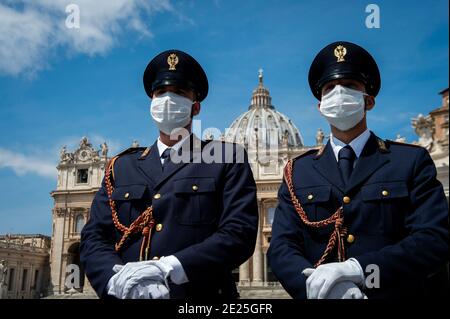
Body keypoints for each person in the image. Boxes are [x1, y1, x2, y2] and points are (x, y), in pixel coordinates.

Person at [268, 41, 449, 299]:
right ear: (320, 106)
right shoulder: (297, 171)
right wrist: (320, 289)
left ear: (369, 100)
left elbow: (434, 239)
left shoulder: (411, 161)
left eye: (350, 85)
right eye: (330, 88)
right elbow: (281, 249)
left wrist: (360, 270)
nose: (339, 93)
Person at [80, 49, 258, 299]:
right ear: (151, 103)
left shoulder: (227, 158)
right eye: (161, 92)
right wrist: (116, 281)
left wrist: (168, 267)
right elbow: (94, 237)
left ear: (195, 107)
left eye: (179, 93)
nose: (168, 99)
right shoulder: (120, 167)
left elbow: (239, 234)